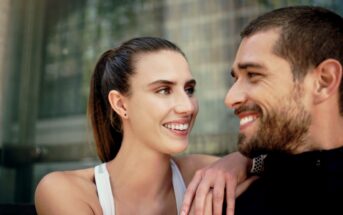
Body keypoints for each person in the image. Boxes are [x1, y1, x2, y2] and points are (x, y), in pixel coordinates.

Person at [34, 37, 253, 215]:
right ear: (120, 104)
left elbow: (282, 165)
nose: (187, 107)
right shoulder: (65, 191)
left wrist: (242, 160)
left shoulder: (202, 173)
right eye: (164, 90)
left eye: (189, 89)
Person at [181, 5, 343, 215]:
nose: (230, 98)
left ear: (324, 81)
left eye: (254, 75)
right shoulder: (228, 201)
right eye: (236, 78)